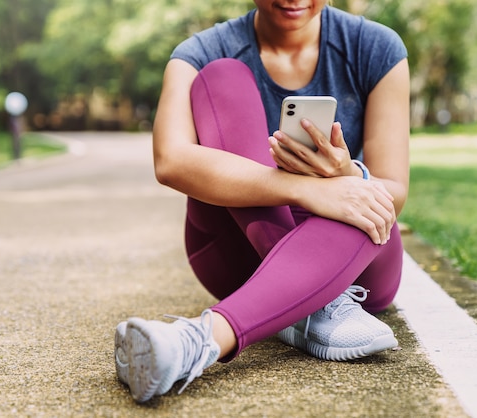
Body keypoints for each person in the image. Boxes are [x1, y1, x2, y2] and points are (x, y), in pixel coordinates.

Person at [115, 0, 410, 403]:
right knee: (220, 76)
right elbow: (170, 161)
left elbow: (393, 190)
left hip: (353, 265)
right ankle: (312, 301)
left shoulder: (375, 47)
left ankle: (195, 341)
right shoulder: (200, 52)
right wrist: (304, 188)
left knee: (365, 198)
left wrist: (343, 175)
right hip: (235, 252)